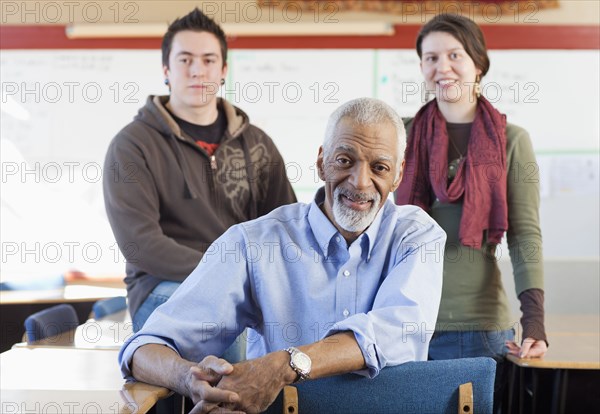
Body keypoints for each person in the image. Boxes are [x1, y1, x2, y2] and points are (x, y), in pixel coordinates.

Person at [118, 97, 446, 413]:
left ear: (399, 174)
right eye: (345, 160)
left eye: (379, 167)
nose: (360, 181)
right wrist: (188, 379)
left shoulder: (417, 236)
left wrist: (284, 364)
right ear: (321, 161)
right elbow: (143, 349)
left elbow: (397, 331)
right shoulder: (253, 242)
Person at [103, 8, 296, 331]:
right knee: (217, 313)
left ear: (223, 70)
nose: (197, 71)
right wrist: (226, 273)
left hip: (245, 285)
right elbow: (142, 244)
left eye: (208, 60)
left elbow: (285, 226)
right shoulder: (132, 145)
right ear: (166, 69)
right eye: (185, 60)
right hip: (162, 286)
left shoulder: (258, 145)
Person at [395, 13, 548, 410]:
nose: (441, 67)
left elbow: (525, 235)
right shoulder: (401, 135)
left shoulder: (512, 140)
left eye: (454, 55)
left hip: (479, 328)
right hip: (404, 323)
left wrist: (534, 320)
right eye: (430, 58)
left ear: (478, 63)